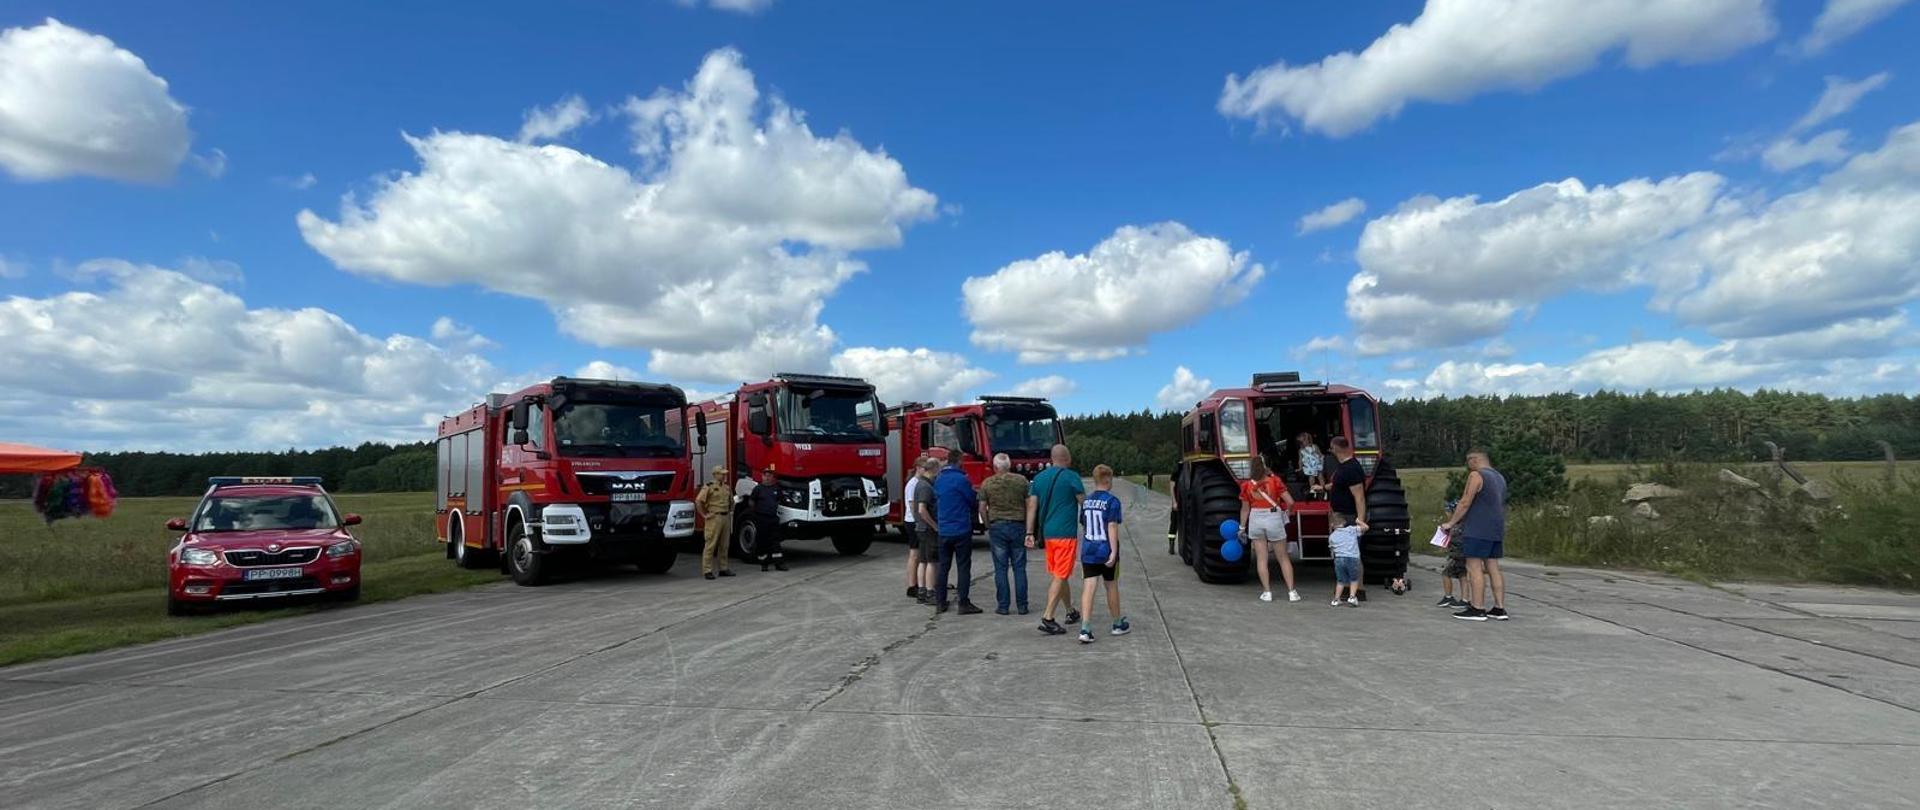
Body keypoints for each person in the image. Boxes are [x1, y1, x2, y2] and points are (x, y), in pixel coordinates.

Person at [1442, 449, 1509, 621]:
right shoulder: (1500, 478)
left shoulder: (1476, 475)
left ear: (1475, 460)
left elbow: (1465, 501)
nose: (1468, 465)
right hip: (1496, 528)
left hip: (1478, 528)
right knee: (1493, 567)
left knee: (1473, 567)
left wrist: (1451, 523)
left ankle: (1477, 607)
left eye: (1468, 461)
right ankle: (1499, 608)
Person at [1027, 444, 1085, 635]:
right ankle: (1048, 617)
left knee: (1060, 574)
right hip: (1065, 534)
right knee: (1061, 575)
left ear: (1052, 458)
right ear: (1067, 459)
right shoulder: (1072, 477)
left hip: (1048, 535)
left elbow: (1032, 507)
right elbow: (1084, 503)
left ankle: (1070, 611)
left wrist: (1029, 533)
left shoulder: (1039, 478)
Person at [1077, 465, 1130, 643]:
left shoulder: (1086, 501)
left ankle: (1085, 627)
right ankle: (1116, 623)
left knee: (1089, 586)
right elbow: (1112, 526)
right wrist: (1113, 551)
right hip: (1105, 549)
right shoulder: (1112, 501)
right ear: (1107, 480)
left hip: (1089, 550)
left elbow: (1084, 524)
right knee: (1111, 585)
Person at [1238, 457, 1300, 604]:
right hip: (1273, 517)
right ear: (1265, 466)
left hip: (1256, 519)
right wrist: (1288, 512)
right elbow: (1290, 502)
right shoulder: (1275, 481)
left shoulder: (1246, 485)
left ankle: (1267, 592)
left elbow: (1245, 509)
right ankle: (1292, 592)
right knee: (1283, 558)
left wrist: (1241, 527)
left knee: (1261, 558)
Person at [979, 453, 1030, 615]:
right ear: (1010, 466)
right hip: (1017, 525)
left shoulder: (987, 483)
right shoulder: (1021, 481)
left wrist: (988, 525)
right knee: (1019, 567)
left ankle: (1003, 606)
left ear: (995, 467)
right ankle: (1022, 605)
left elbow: (981, 508)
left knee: (1001, 568)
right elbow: (1029, 505)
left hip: (997, 526)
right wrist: (1029, 528)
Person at [932, 449, 981, 614]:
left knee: (943, 567)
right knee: (963, 567)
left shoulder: (938, 479)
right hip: (961, 529)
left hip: (944, 529)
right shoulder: (962, 480)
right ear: (959, 461)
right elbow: (972, 501)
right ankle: (963, 603)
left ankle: (940, 602)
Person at [1327, 437, 1370, 600]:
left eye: (1331, 448)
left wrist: (1360, 520)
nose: (1330, 451)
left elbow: (1359, 497)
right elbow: (1339, 484)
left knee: (1352, 554)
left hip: (1349, 517)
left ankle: (1358, 589)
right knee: (1344, 553)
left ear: (1337, 449)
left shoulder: (1351, 468)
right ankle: (1347, 586)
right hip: (1341, 516)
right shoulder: (1343, 468)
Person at [695, 467, 736, 580]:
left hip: (725, 517)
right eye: (721, 474)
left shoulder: (727, 487)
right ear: (715, 474)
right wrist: (704, 515)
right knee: (711, 544)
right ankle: (707, 570)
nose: (724, 476)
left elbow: (731, 501)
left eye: (724, 474)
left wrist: (731, 511)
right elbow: (698, 501)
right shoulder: (709, 486)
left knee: (725, 544)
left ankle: (723, 568)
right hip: (714, 517)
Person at [912, 456, 941, 605]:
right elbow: (922, 509)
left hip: (920, 528)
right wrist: (935, 526)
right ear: (934, 469)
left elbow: (914, 509)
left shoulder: (919, 484)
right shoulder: (926, 487)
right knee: (932, 561)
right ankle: (930, 592)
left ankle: (922, 590)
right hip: (928, 529)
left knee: (922, 560)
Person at [749, 466, 787, 572]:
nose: (767, 478)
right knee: (762, 542)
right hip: (761, 519)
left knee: (775, 541)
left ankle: (779, 563)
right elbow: (752, 501)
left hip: (773, 518)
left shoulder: (776, 488)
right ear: (762, 477)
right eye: (765, 475)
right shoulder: (758, 489)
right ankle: (764, 564)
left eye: (769, 476)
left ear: (772, 477)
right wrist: (755, 514)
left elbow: (781, 500)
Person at [1437, 498, 1469, 608]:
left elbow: (1450, 541)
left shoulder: (1454, 526)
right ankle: (1465, 599)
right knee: (1463, 575)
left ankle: (1448, 596)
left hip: (1456, 555)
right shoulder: (1465, 525)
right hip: (1464, 554)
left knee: (1446, 573)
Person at [903, 454, 926, 601]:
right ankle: (912, 585)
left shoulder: (919, 482)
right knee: (915, 554)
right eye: (925, 468)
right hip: (912, 521)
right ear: (918, 468)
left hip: (914, 520)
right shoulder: (913, 483)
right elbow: (912, 505)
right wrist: (919, 521)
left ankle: (918, 582)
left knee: (917, 553)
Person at [1329, 522, 1363, 606]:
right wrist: (1359, 521)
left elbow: (1332, 549)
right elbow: (1366, 527)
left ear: (1332, 525)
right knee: (1354, 579)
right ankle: (1352, 597)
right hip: (1352, 558)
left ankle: (1336, 600)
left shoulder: (1332, 536)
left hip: (1339, 559)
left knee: (1340, 581)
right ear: (1344, 522)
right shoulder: (1351, 529)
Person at [1296, 431, 1327, 498]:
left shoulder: (1315, 446)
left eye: (1305, 440)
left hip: (1317, 464)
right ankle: (1313, 489)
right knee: (1311, 477)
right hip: (1309, 466)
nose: (1304, 443)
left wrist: (1322, 460)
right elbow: (1300, 460)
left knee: (1320, 476)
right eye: (1301, 442)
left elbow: (1320, 454)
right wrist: (1300, 467)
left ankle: (1323, 489)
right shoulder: (1301, 450)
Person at [1166, 460, 1184, 555]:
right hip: (1177, 504)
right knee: (1174, 525)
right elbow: (1172, 488)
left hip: (1184, 504)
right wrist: (1174, 502)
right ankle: (1171, 545)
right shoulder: (1176, 474)